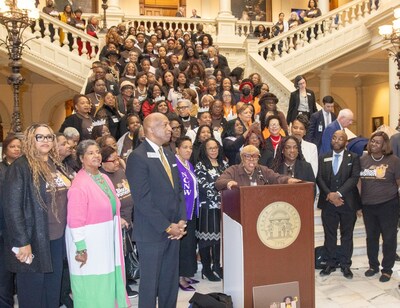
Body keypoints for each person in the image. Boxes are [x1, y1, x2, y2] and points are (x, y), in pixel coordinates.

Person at [3, 124, 70, 307]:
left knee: (52, 289)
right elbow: (12, 207)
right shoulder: (21, 167)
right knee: (33, 292)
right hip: (34, 240)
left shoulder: (55, 164)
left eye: (49, 137)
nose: (45, 141)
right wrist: (22, 241)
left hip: (56, 238)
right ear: (31, 140)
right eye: (40, 137)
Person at [126, 113, 187, 308]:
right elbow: (142, 199)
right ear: (150, 130)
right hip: (152, 231)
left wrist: (181, 221)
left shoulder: (168, 153)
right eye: (166, 124)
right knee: (150, 285)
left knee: (169, 282)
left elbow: (178, 190)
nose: (171, 128)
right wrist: (167, 226)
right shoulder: (137, 157)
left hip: (174, 230)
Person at [65, 140, 129, 307]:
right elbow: (75, 220)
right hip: (89, 244)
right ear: (81, 158)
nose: (96, 156)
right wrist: (81, 248)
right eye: (90, 153)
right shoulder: (79, 185)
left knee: (107, 281)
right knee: (93, 286)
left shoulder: (104, 178)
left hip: (106, 241)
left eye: (97, 152)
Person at [317, 130, 361, 279]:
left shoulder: (353, 157)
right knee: (329, 235)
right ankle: (330, 263)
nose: (336, 140)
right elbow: (320, 178)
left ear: (346, 142)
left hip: (347, 203)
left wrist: (338, 194)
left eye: (340, 138)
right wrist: (330, 194)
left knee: (346, 235)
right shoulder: (323, 157)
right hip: (328, 203)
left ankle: (345, 264)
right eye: (334, 138)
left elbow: (354, 178)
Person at [359, 131, 400, 282]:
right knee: (371, 237)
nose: (374, 144)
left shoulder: (394, 161)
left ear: (384, 145)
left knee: (389, 238)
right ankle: (373, 266)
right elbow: (359, 182)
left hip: (388, 205)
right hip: (368, 205)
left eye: (377, 142)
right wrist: (359, 202)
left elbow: (398, 183)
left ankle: (387, 269)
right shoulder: (363, 159)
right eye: (372, 141)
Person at [99, 146, 138, 298]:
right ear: (102, 163)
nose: (117, 162)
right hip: (115, 222)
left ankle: (127, 279)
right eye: (113, 160)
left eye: (117, 158)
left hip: (128, 219)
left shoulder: (120, 172)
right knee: (118, 256)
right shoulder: (102, 178)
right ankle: (122, 288)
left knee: (127, 253)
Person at [194, 138, 228, 281]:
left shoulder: (224, 164)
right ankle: (206, 269)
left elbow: (229, 182)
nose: (213, 150)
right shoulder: (200, 165)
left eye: (215, 148)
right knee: (206, 239)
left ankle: (217, 266)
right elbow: (203, 186)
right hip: (206, 206)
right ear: (205, 150)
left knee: (218, 238)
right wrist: (220, 193)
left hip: (222, 207)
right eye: (210, 148)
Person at [215, 145, 300, 190]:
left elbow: (276, 178)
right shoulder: (233, 170)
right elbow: (218, 182)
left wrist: (288, 180)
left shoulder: (262, 170)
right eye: (248, 156)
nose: (251, 160)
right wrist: (228, 182)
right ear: (242, 158)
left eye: (255, 156)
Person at [175, 137, 199, 291]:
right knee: (182, 246)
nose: (188, 150)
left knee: (189, 244)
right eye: (185, 147)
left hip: (191, 209)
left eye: (190, 147)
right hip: (181, 212)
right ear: (177, 149)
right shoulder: (174, 164)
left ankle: (185, 274)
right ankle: (179, 278)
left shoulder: (188, 164)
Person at [0, 135, 22, 308]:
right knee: (4, 273)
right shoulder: (1, 169)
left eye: (19, 146)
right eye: (12, 146)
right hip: (4, 227)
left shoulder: (24, 168)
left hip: (21, 226)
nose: (16, 149)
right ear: (5, 150)